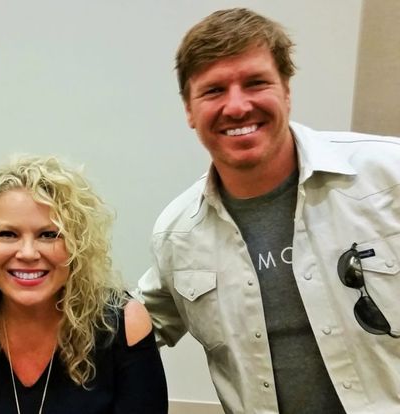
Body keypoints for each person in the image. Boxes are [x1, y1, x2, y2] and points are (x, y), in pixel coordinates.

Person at [137, 7, 400, 414]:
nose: (237, 106)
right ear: (189, 109)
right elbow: (123, 327)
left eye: (255, 83)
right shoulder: (178, 234)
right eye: (214, 90)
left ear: (287, 91)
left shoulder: (388, 175)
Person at [0, 156, 168, 414]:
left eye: (49, 235)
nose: (27, 253)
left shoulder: (124, 325)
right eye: (7, 234)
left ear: (76, 246)